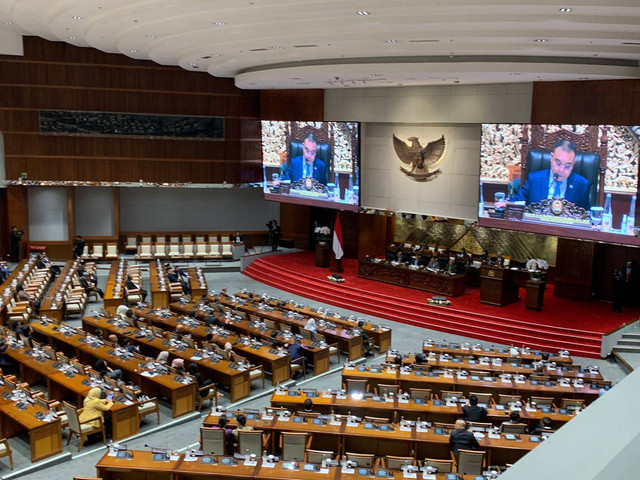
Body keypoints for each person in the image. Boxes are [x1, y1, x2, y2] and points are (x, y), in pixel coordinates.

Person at [511, 139, 590, 210]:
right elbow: (517, 202)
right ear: (551, 158)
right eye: (558, 163)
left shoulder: (581, 185)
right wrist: (505, 204)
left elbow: (586, 214)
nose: (561, 170)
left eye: (567, 166)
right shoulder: (534, 179)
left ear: (573, 164)